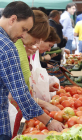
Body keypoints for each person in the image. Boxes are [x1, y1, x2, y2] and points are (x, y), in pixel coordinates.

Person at [0, 2, 64, 140]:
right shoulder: (8, 47)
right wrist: (48, 121)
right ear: (12, 19)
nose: (23, 35)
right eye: (24, 29)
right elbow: (19, 92)